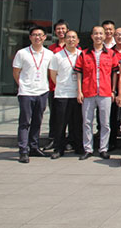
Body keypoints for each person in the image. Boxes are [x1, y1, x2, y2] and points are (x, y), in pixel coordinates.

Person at [74, 25, 118, 160]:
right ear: (92, 36)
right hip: (88, 92)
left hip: (105, 92)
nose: (98, 36)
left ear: (104, 36)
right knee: (87, 122)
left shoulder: (111, 53)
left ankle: (103, 149)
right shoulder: (84, 53)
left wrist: (113, 90)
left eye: (101, 34)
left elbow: (114, 73)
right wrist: (79, 91)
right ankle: (88, 149)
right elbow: (79, 73)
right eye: (96, 34)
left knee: (105, 123)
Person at [13, 26, 54, 163]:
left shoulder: (49, 54)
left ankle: (34, 147)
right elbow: (16, 72)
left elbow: (51, 72)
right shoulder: (22, 53)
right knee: (24, 122)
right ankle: (23, 150)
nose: (38, 37)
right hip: (26, 92)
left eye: (40, 35)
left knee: (37, 121)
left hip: (42, 91)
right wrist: (22, 85)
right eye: (35, 35)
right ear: (30, 37)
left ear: (45, 37)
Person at [48, 30, 82, 159]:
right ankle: (58, 148)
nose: (71, 40)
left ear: (78, 40)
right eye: (68, 37)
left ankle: (78, 146)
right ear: (64, 40)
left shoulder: (82, 54)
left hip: (77, 94)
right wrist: (61, 85)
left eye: (74, 37)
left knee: (77, 123)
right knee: (60, 123)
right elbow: (53, 74)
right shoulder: (57, 56)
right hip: (62, 94)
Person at [45, 19, 69, 151]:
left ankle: (69, 140)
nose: (61, 31)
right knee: (54, 115)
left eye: (63, 28)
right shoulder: (51, 49)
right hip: (54, 87)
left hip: (70, 88)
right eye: (58, 29)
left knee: (70, 116)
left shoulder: (75, 47)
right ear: (55, 31)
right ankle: (53, 139)